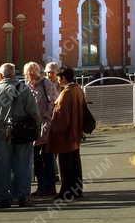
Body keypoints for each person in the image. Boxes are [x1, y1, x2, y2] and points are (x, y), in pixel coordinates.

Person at [0, 63, 40, 208]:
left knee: (0, 166)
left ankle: (2, 198)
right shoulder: (24, 89)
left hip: (1, 134)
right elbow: (34, 112)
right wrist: (36, 130)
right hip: (22, 132)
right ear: (14, 74)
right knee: (23, 165)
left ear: (1, 76)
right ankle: (22, 196)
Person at [49, 67, 86, 202]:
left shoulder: (66, 93)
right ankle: (76, 190)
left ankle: (66, 192)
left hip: (65, 136)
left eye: (59, 77)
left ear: (63, 78)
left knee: (65, 166)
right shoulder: (78, 89)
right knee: (75, 164)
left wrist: (53, 130)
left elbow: (61, 117)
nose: (58, 80)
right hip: (76, 133)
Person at [24, 62, 58, 198]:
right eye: (28, 72)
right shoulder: (26, 87)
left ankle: (49, 187)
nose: (30, 75)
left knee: (47, 158)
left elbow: (54, 102)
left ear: (38, 72)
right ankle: (41, 186)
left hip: (45, 127)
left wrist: (47, 120)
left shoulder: (46, 84)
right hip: (33, 128)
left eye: (33, 72)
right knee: (37, 159)